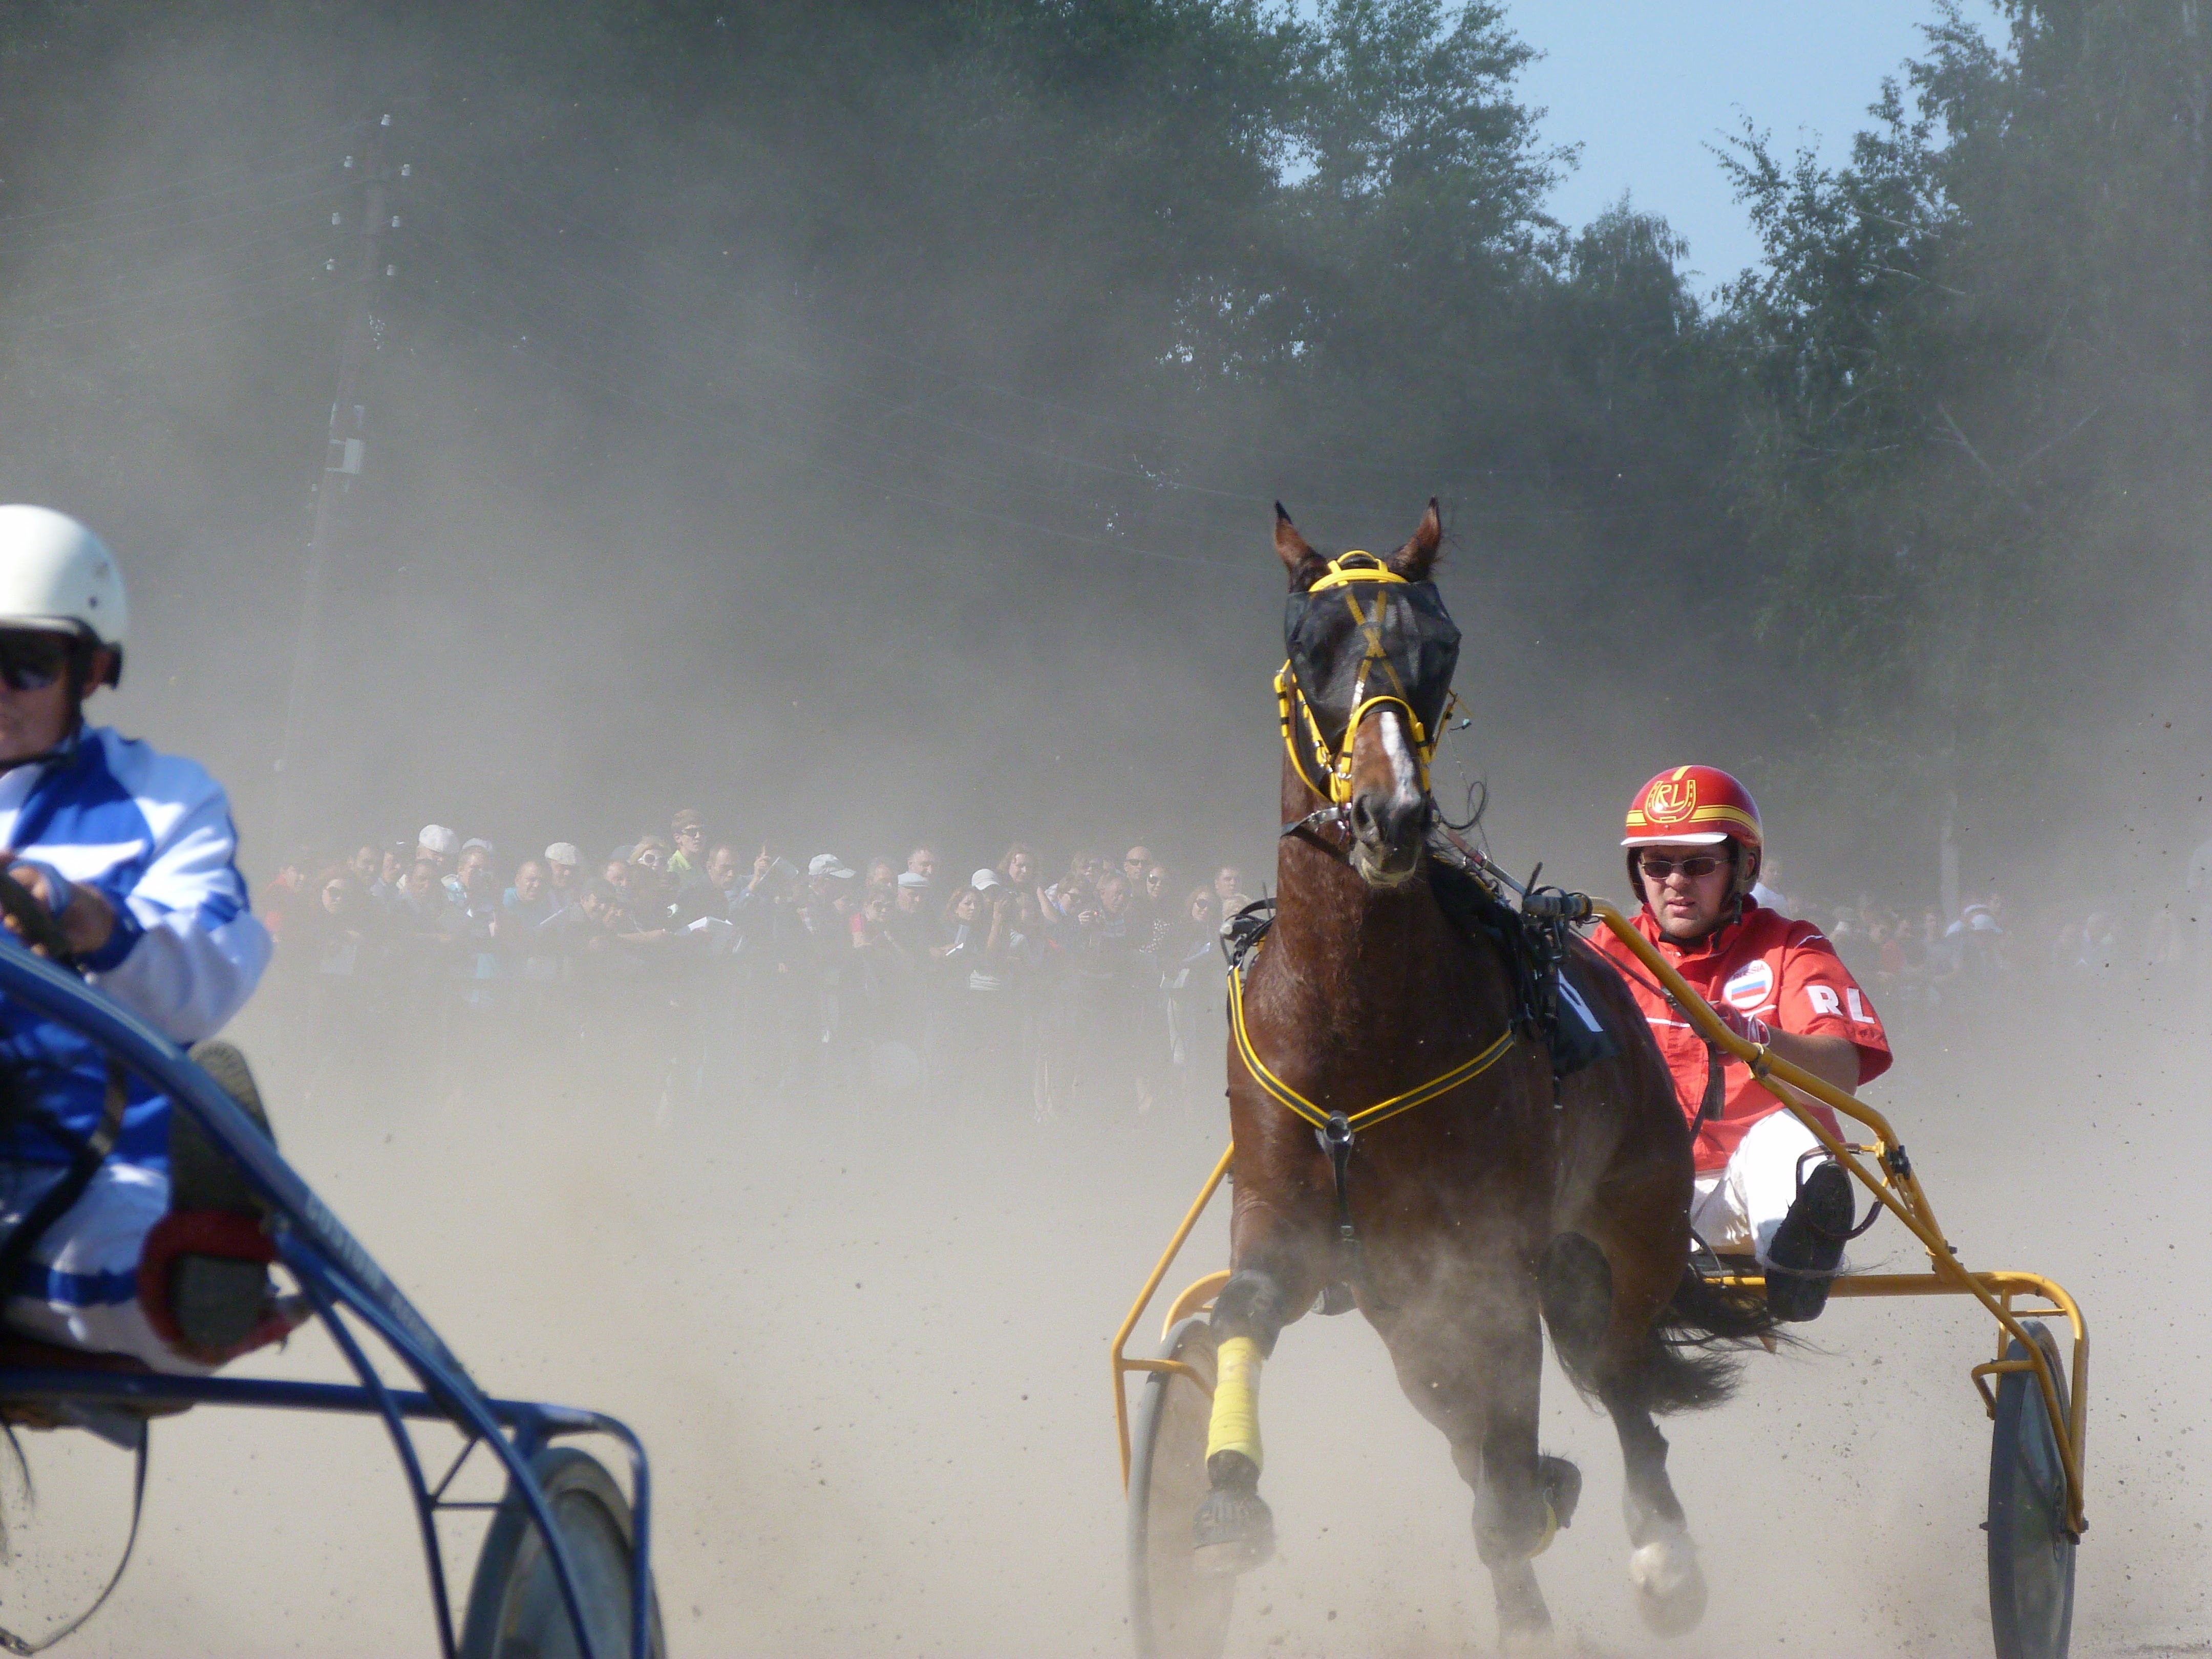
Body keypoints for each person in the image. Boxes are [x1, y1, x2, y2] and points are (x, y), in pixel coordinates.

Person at [0, 506, 273, 1372]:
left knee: (145, 1290)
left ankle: (203, 1260)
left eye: (25, 663)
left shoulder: (166, 801)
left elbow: (211, 980)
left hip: (88, 1162)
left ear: (92, 671)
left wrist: (93, 922)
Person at [1591, 765, 1891, 1323]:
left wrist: (1746, 1036)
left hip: (1750, 1194)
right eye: (1657, 864)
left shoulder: (1792, 946)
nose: (1675, 881)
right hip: (1645, 1201)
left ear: (1744, 867)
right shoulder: (1605, 950)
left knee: (1784, 1134)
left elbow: (1841, 1075)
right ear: (1637, 872)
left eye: (1698, 865)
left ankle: (1800, 1262)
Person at [668, 810, 708, 887]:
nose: (698, 836)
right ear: (678, 838)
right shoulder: (671, 868)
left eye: (703, 831)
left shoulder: (700, 866)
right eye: (691, 832)